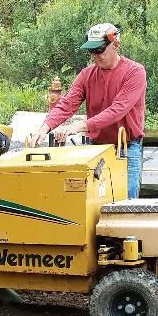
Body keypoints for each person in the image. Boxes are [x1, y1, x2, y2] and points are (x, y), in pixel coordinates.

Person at [34, 23, 146, 199]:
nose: (95, 56)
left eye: (99, 50)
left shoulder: (134, 72)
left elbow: (117, 110)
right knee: (94, 205)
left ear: (115, 45)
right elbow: (67, 103)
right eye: (91, 51)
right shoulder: (87, 74)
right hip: (97, 148)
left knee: (127, 206)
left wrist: (78, 126)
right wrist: (44, 127)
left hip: (127, 148)